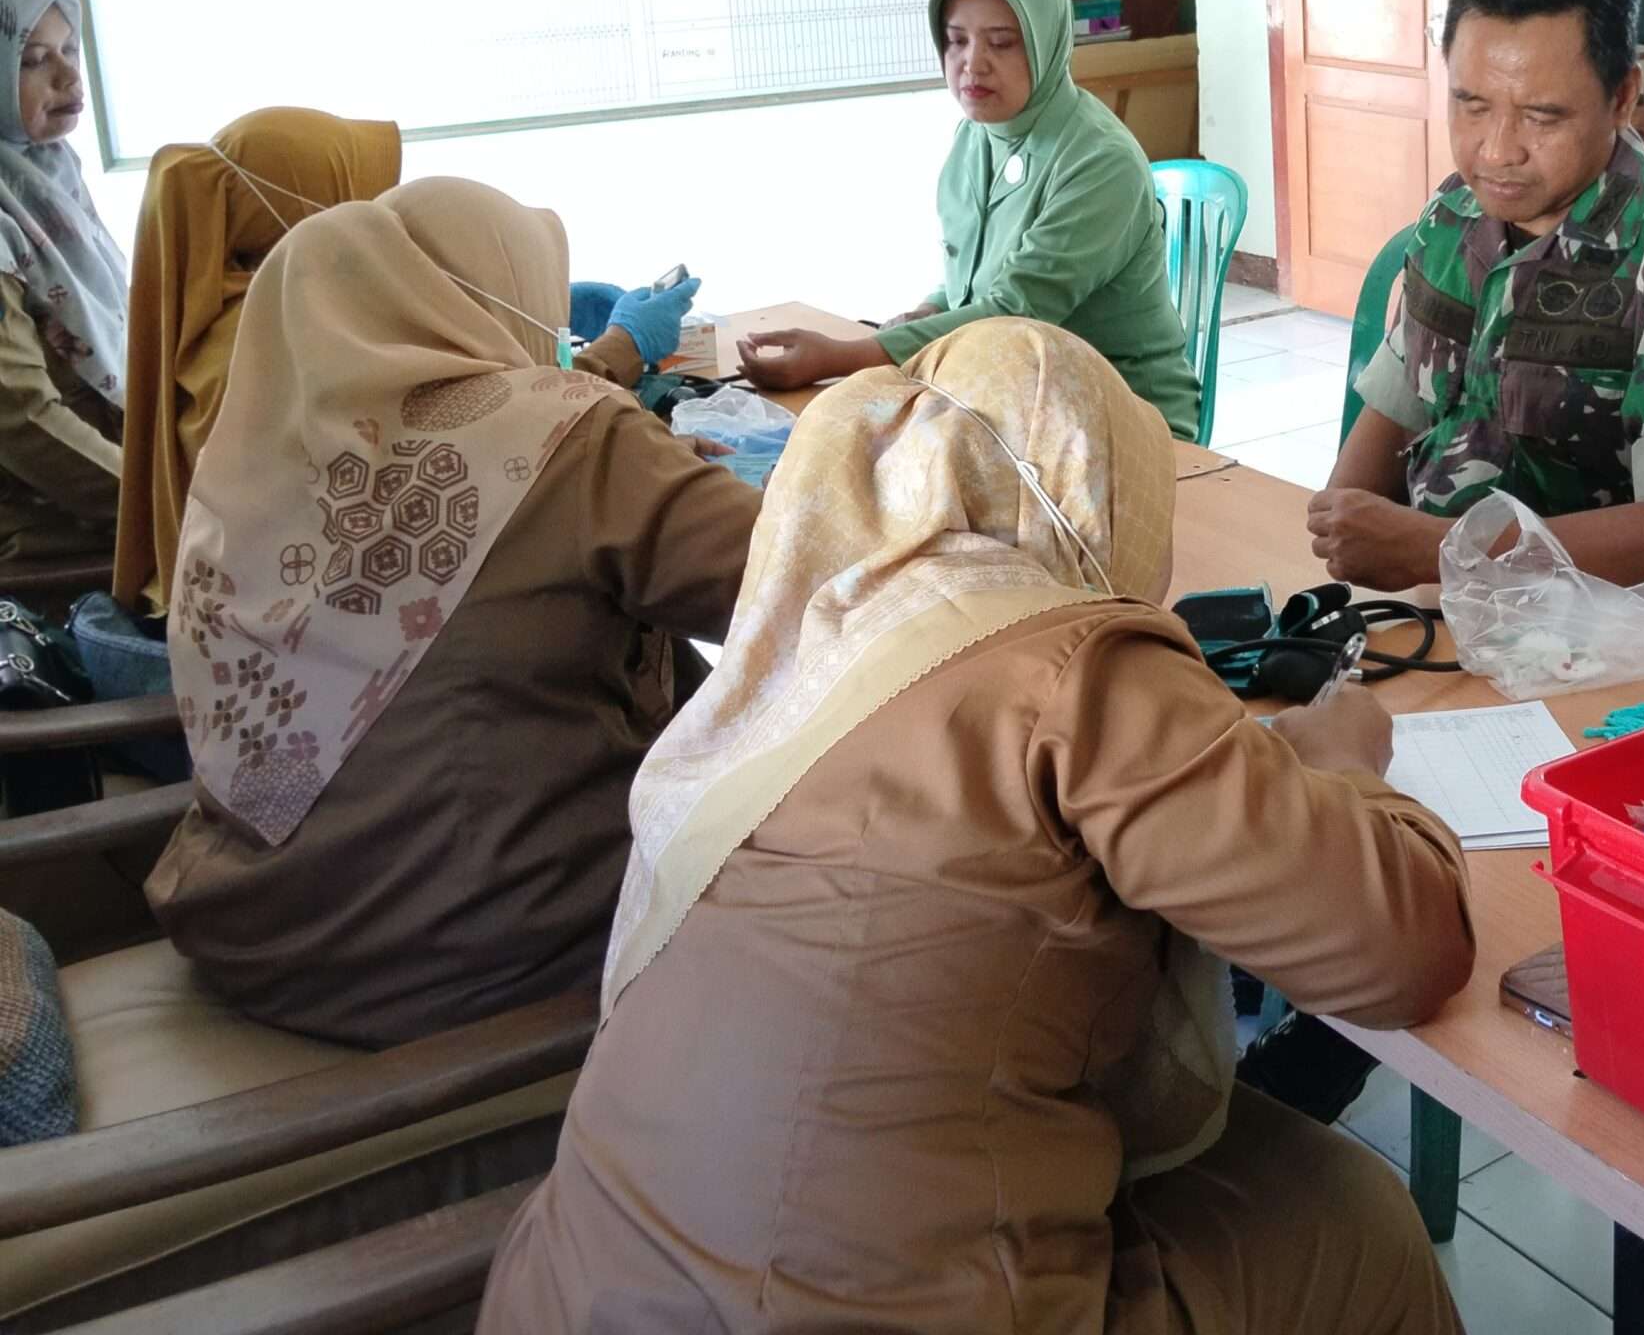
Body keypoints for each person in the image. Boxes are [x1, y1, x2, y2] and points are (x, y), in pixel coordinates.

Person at [479, 319, 1472, 1335]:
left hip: (576, 1292)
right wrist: (1348, 768)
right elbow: (1402, 950)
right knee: (1353, 1219)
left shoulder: (800, 642)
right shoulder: (1069, 660)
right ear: (1095, 482)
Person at [146, 178, 761, 1048]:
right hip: (478, 961)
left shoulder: (250, 458)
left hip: (258, 932)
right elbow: (801, 580)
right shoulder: (576, 438)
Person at [1318, 0, 1644, 609]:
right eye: (1471, 105)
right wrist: (1345, 533)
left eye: (1541, 117)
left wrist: (1439, 551)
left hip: (1596, 638)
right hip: (1431, 615)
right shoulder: (1453, 217)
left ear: (1623, 97)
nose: (1498, 152)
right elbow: (1396, 407)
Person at [734, 0, 1201, 438]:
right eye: (956, 41)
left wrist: (840, 357)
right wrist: (931, 308)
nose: (972, 64)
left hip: (1117, 421)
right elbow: (975, 279)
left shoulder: (1099, 161)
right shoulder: (976, 135)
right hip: (1011, 400)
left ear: (1046, 43)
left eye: (1002, 43)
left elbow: (1014, 313)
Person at [112, 109, 403, 618]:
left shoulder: (230, 316)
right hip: (287, 620)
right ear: (297, 206)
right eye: (354, 188)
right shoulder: (286, 334)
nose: (379, 212)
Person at [0, 0, 129, 574]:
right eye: (32, 60)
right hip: (51, 536)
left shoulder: (48, 171)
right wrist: (166, 505)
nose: (70, 77)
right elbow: (19, 416)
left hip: (109, 496)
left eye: (70, 49)